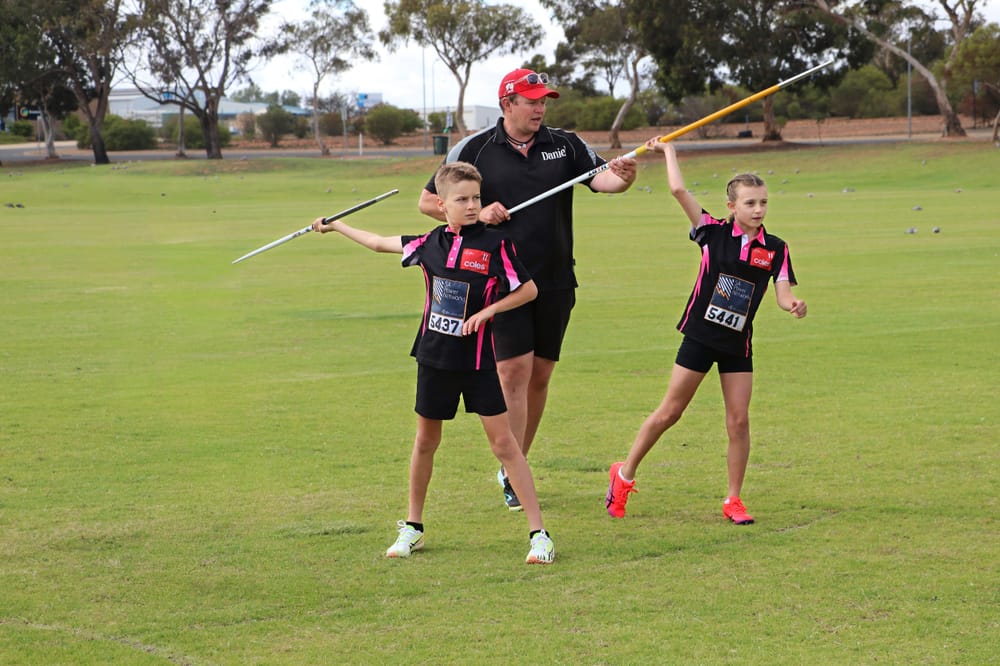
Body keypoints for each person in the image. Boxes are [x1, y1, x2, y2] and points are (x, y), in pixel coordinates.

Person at [312, 162, 555, 564]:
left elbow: (528, 290)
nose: (472, 205)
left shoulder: (497, 246)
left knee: (505, 446)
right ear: (442, 205)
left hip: (478, 364)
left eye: (476, 198)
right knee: (426, 442)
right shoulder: (428, 244)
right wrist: (336, 226)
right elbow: (376, 242)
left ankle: (539, 534)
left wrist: (487, 312)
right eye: (462, 199)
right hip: (434, 360)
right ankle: (413, 527)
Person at [418, 68, 637, 511]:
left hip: (555, 281)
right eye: (531, 100)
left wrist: (626, 175)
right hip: (502, 285)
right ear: (507, 104)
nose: (540, 108)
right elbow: (428, 202)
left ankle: (513, 465)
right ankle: (513, 472)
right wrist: (477, 216)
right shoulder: (475, 148)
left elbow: (605, 180)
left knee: (539, 376)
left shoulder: (566, 144)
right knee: (512, 373)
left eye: (544, 101)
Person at [605, 140, 808, 523]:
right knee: (670, 413)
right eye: (750, 203)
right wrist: (667, 151)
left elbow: (783, 293)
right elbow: (679, 190)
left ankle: (733, 499)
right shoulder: (711, 231)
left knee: (739, 421)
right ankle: (624, 473)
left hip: (737, 344)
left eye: (763, 202)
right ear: (732, 207)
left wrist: (793, 305)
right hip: (699, 337)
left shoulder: (776, 249)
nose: (759, 209)